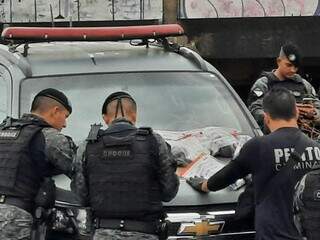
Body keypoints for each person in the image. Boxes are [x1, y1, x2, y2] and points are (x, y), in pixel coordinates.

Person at [187, 87, 320, 240]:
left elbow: (226, 177)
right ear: (296, 113)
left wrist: (203, 185)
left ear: (266, 117)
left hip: (273, 235)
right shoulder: (316, 148)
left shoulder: (258, 146)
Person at [71, 91, 179, 240]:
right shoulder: (154, 141)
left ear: (105, 118)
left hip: (103, 233)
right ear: (134, 116)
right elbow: (169, 192)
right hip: (145, 233)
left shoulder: (87, 146)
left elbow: (81, 196)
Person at [0, 88, 76, 240]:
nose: (65, 124)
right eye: (65, 116)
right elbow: (80, 169)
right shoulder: (50, 137)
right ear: (55, 111)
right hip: (14, 218)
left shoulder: (3, 130)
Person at [247, 43, 320, 131]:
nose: (293, 70)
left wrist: (314, 115)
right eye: (288, 65)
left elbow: (317, 106)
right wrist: (280, 120)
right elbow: (255, 110)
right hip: (273, 137)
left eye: (296, 67)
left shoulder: (304, 85)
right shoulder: (264, 84)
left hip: (301, 137)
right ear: (278, 61)